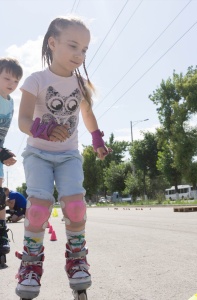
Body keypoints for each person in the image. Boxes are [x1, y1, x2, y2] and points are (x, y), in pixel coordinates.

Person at [15, 16, 111, 299]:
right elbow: (22, 120)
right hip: (38, 154)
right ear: (52, 43)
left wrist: (96, 139)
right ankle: (30, 267)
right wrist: (41, 128)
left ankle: (77, 259)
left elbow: (87, 114)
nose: (79, 55)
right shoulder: (37, 80)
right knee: (38, 208)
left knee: (76, 206)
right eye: (73, 46)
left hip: (69, 155)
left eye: (84, 50)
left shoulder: (80, 84)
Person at [0, 58, 23, 257]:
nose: (11, 84)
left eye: (16, 81)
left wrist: (3, 152)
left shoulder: (11, 102)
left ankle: (1, 235)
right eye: (7, 78)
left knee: (0, 197)